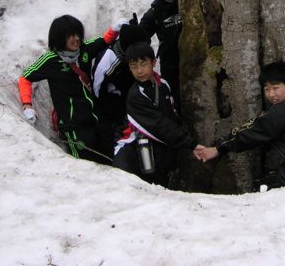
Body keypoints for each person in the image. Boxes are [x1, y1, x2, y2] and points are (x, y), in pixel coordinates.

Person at [198, 61, 285, 190]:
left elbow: (250, 132)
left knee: (260, 186)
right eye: (266, 89)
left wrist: (219, 148)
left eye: (275, 88)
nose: (271, 94)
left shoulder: (280, 112)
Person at [18, 15, 119, 164]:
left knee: (110, 157)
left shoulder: (83, 50)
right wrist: (27, 104)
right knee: (87, 164)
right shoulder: (50, 60)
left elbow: (103, 41)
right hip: (75, 127)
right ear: (59, 38)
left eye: (78, 34)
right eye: (71, 36)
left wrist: (114, 30)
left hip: (96, 118)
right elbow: (25, 77)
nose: (76, 38)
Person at [113, 42, 203, 186]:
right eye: (134, 66)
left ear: (153, 63)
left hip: (160, 147)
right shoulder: (135, 95)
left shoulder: (163, 84)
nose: (139, 70)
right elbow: (159, 124)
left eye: (143, 64)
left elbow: (172, 115)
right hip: (132, 148)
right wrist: (190, 144)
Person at [92, 24, 152, 136]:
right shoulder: (108, 60)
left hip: (130, 95)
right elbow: (97, 90)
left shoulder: (129, 57)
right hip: (113, 102)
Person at [139, 0, 182, 111]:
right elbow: (142, 34)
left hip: (193, 54)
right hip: (169, 58)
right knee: (174, 93)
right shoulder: (154, 11)